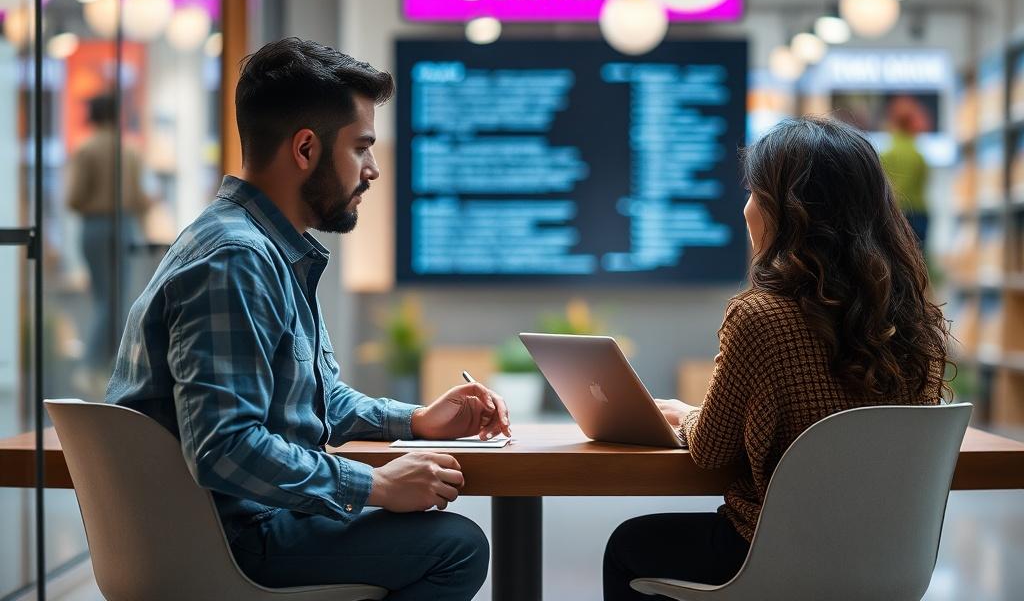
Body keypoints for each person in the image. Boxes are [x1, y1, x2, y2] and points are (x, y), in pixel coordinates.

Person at [107, 38, 510, 600]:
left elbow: (309, 400)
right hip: (229, 541)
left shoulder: (261, 247)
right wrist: (374, 484)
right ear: (305, 149)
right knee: (455, 547)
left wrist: (417, 421)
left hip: (237, 524)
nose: (373, 169)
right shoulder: (237, 259)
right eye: (361, 148)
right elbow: (225, 447)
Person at [603, 116, 952, 599]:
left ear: (787, 213)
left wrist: (687, 417)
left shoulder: (761, 317)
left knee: (628, 545)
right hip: (891, 561)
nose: (745, 207)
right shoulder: (912, 320)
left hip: (775, 556)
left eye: (754, 193)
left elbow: (710, 451)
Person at [66, 93, 149, 376]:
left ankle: (92, 365)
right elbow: (139, 199)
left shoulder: (87, 149)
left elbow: (74, 198)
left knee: (103, 298)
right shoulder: (129, 151)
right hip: (124, 225)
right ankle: (111, 366)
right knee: (119, 297)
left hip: (95, 226)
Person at [879, 95, 931, 246]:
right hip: (918, 212)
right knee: (917, 254)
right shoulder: (918, 155)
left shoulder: (886, 154)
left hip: (893, 212)